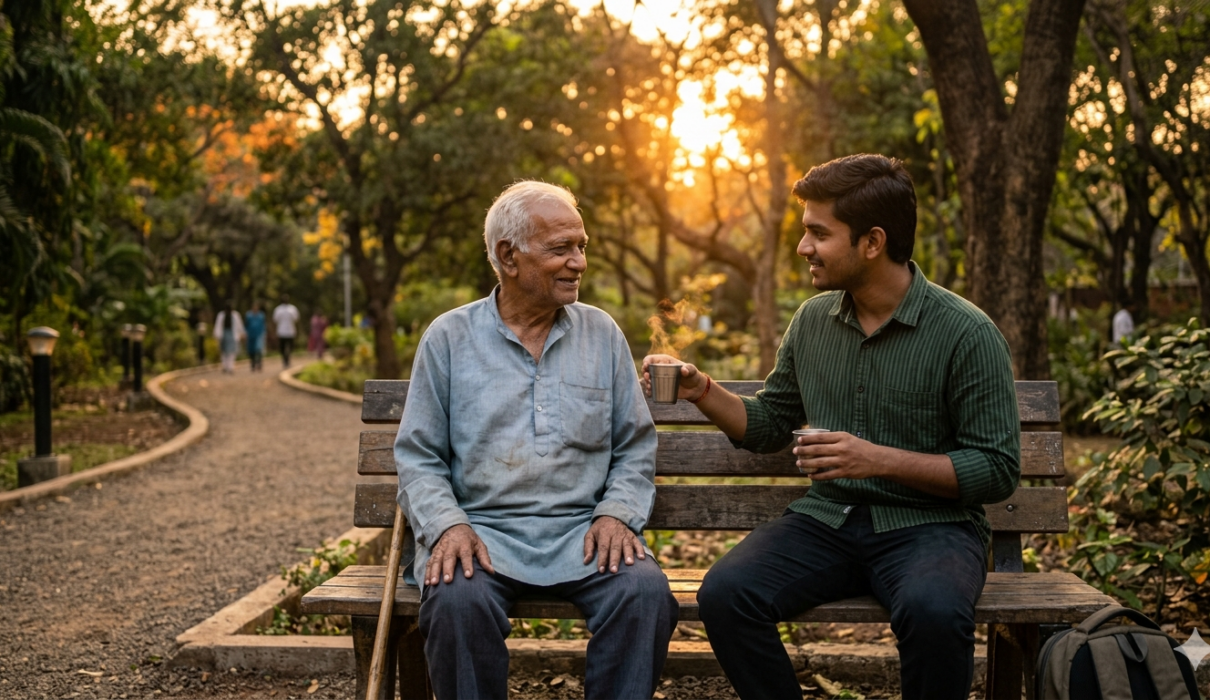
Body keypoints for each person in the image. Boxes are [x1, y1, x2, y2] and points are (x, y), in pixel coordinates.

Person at [644, 154, 1020, 700]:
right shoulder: (813, 321)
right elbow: (770, 423)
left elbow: (997, 469)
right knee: (726, 595)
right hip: (828, 521)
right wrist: (701, 388)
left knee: (934, 614)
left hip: (931, 527)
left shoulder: (966, 333)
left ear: (872, 242)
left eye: (819, 233)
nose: (803, 248)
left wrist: (878, 459)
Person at [394, 181, 677, 700]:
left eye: (581, 247)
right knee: (456, 601)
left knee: (643, 594)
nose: (578, 263)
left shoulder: (602, 333)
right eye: (560, 249)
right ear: (508, 256)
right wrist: (448, 526)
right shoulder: (448, 338)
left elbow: (634, 445)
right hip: (481, 533)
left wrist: (616, 513)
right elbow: (418, 456)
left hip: (582, 534)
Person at [213, 300, 246, 375]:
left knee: (231, 352)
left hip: (232, 336)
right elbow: (218, 325)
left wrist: (242, 333)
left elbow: (239, 325)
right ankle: (225, 366)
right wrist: (216, 335)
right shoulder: (221, 315)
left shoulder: (235, 315)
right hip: (224, 335)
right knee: (224, 352)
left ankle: (230, 367)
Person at [272, 294, 300, 368]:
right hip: (281, 331)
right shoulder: (278, 309)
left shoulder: (292, 309)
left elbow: (296, 319)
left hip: (290, 331)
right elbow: (275, 320)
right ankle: (285, 359)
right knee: (282, 347)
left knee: (290, 346)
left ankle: (288, 358)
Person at [245, 301, 266, 372]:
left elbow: (263, 325)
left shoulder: (261, 316)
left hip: (259, 335)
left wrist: (263, 333)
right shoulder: (248, 315)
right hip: (251, 335)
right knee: (251, 351)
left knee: (259, 350)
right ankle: (253, 364)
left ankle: (259, 364)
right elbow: (246, 325)